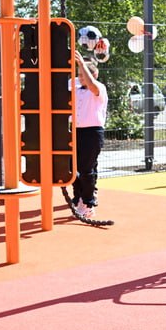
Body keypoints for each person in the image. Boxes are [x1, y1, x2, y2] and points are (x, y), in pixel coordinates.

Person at [71, 49, 108, 219]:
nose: (81, 78)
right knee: (73, 168)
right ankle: (78, 198)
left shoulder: (99, 88)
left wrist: (81, 64)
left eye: (83, 75)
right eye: (79, 75)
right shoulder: (76, 88)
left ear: (94, 75)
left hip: (92, 133)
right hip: (76, 131)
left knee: (86, 169)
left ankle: (88, 203)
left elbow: (92, 84)